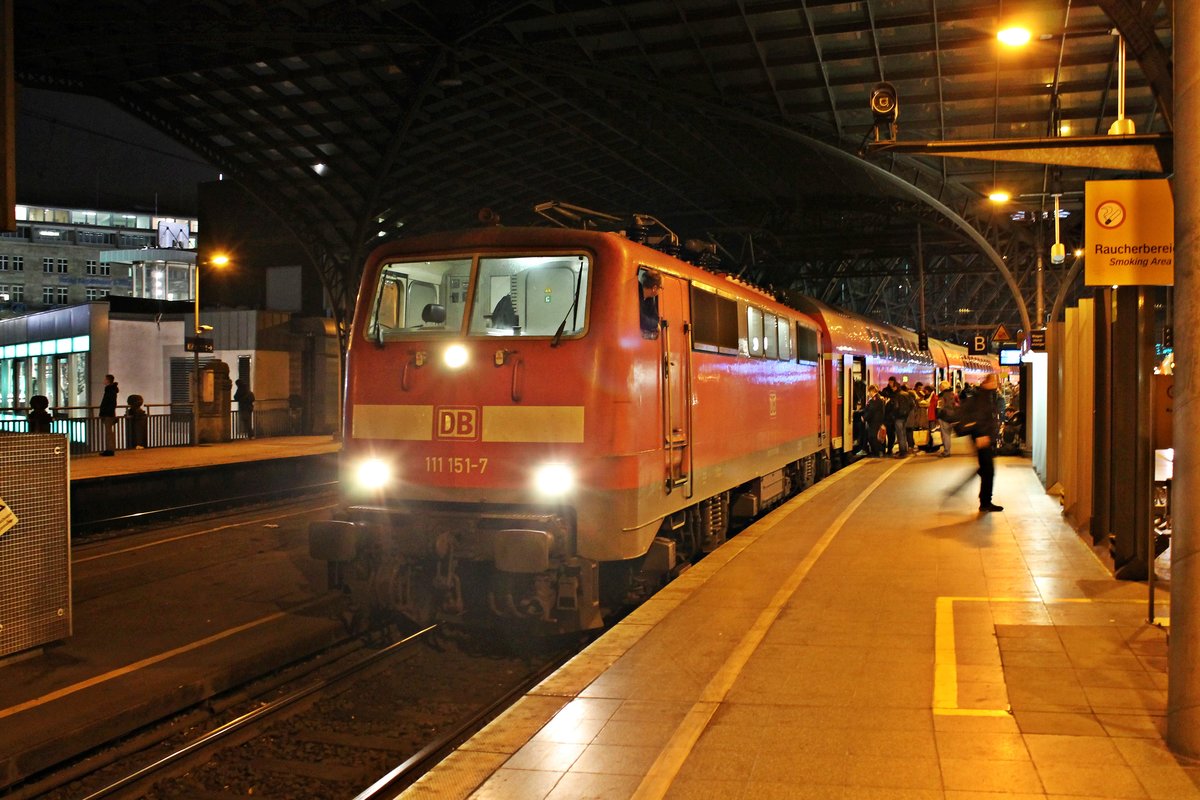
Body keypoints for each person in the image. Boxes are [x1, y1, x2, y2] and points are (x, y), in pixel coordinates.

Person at [954, 372, 1003, 512]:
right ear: (988, 383)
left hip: (985, 439)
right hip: (983, 439)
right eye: (994, 381)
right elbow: (981, 418)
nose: (996, 384)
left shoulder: (987, 395)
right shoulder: (983, 397)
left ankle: (984, 500)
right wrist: (982, 435)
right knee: (988, 471)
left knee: (986, 470)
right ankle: (985, 502)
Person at [863, 384, 887, 457]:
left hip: (875, 421)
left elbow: (871, 411)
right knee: (875, 437)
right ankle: (877, 452)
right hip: (877, 421)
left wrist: (864, 418)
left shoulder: (875, 399)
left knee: (873, 437)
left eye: (869, 391)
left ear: (872, 391)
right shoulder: (878, 398)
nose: (868, 393)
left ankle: (876, 453)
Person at [638, 269, 662, 339]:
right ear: (654, 288)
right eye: (661, 287)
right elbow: (640, 319)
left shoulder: (650, 298)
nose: (661, 290)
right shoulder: (635, 293)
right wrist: (655, 325)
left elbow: (656, 318)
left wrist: (653, 323)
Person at [936, 380, 957, 457]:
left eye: (940, 386)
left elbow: (939, 407)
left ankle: (946, 451)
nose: (939, 387)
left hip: (943, 416)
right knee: (948, 434)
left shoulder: (941, 395)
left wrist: (937, 416)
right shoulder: (952, 394)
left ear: (943, 387)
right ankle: (947, 450)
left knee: (945, 434)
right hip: (951, 416)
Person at [99, 374, 118, 456]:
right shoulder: (111, 390)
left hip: (108, 414)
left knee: (108, 432)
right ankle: (110, 449)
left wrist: (104, 412)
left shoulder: (110, 390)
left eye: (105, 379)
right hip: (109, 414)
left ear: (108, 380)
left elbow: (109, 403)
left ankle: (110, 450)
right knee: (109, 432)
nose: (103, 380)